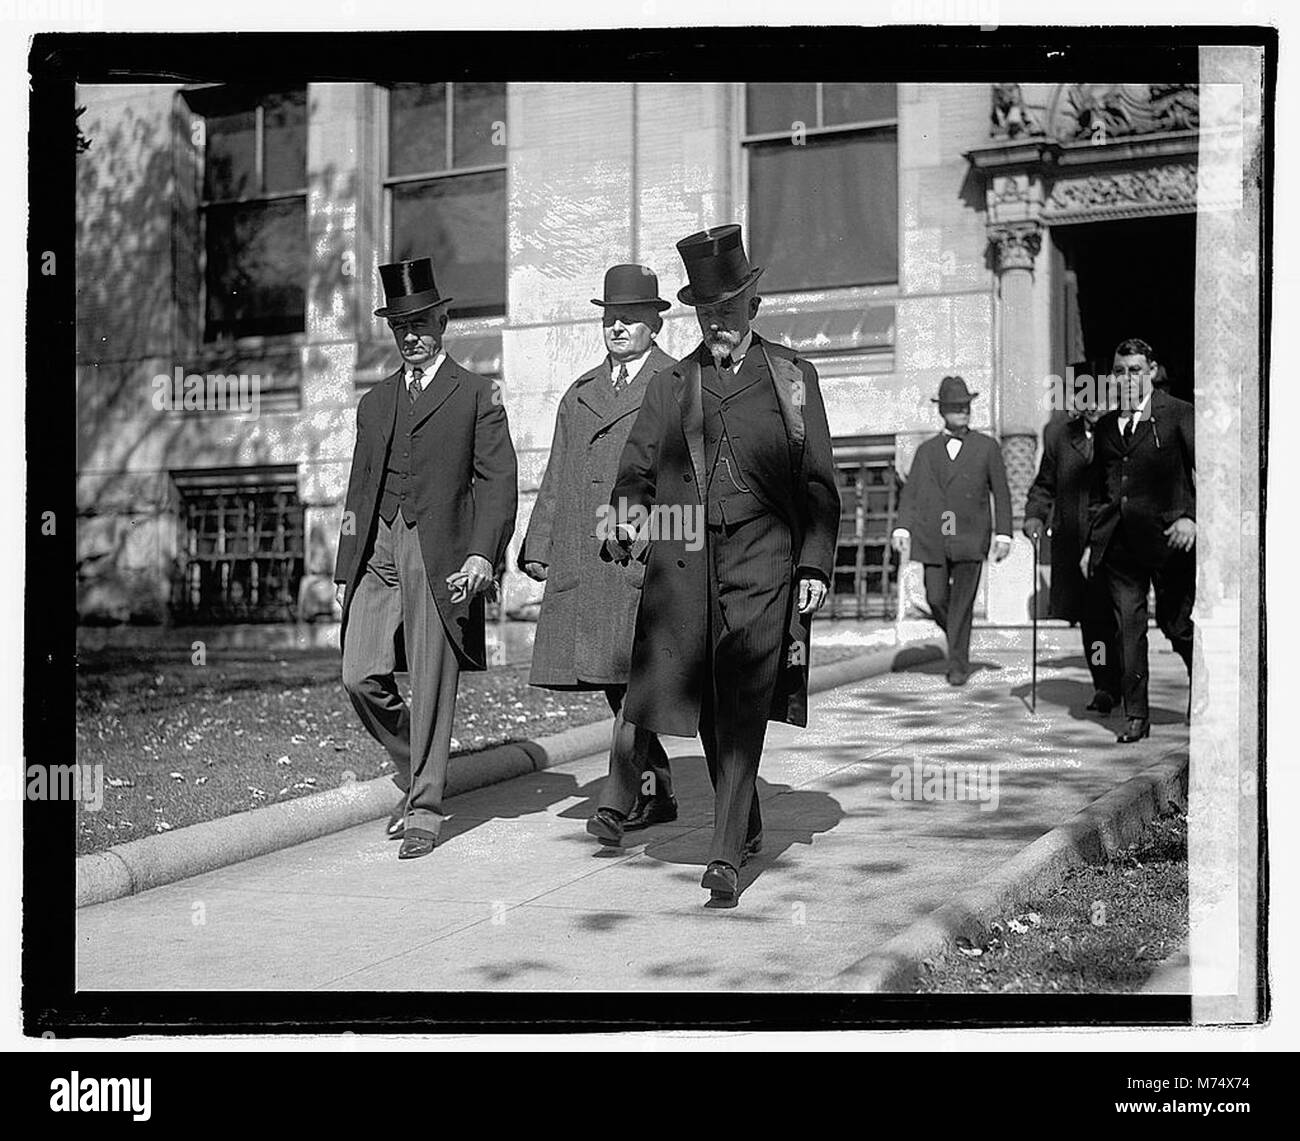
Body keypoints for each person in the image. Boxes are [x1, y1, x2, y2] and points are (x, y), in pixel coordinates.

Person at [606, 225, 840, 903]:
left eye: (729, 312)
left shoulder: (795, 378)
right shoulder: (673, 384)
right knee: (707, 702)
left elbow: (820, 482)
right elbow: (635, 472)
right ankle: (749, 817)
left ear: (753, 307)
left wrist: (815, 566)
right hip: (687, 567)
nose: (719, 326)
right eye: (707, 315)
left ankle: (723, 856)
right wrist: (625, 515)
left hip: (764, 557)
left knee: (742, 695)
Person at [334, 257, 518, 859]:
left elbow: (496, 482)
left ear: (444, 320)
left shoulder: (475, 393)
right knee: (359, 673)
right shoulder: (375, 402)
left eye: (422, 323)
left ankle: (426, 806)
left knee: (434, 680)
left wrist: (481, 557)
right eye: (400, 327)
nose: (412, 336)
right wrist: (344, 567)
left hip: (440, 552)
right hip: (378, 547)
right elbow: (359, 490)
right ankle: (418, 766)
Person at [520, 265, 679, 848]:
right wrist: (538, 545)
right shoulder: (581, 391)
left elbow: (688, 478)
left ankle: (615, 802)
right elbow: (558, 471)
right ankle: (658, 788)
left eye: (632, 317)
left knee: (634, 677)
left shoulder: (676, 381)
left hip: (642, 553)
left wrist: (660, 532)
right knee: (617, 680)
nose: (618, 326)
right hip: (586, 556)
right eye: (610, 316)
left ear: (656, 322)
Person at [1082, 338, 1195, 744]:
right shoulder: (1109, 426)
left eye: (1134, 370)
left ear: (1151, 371)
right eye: (1120, 371)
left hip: (1169, 540)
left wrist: (1190, 518)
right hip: (1120, 547)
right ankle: (1136, 716)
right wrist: (1093, 543)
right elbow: (1102, 491)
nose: (1127, 378)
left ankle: (1204, 685)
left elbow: (1208, 472)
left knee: (1176, 625)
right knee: (1128, 630)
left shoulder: (1178, 414)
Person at [891, 376, 1013, 686]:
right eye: (956, 408)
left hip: (971, 537)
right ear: (943, 411)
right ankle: (958, 640)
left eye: (966, 407)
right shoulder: (927, 451)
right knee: (935, 598)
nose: (963, 412)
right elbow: (911, 492)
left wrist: (1004, 533)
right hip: (932, 537)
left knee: (962, 603)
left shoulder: (987, 447)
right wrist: (902, 527)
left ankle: (958, 664)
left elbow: (1001, 492)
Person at [1023, 377, 1121, 713]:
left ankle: (1129, 685)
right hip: (1076, 545)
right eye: (1085, 399)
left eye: (1100, 398)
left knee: (1123, 618)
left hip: (1118, 541)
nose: (1093, 406)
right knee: (1094, 621)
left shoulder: (1126, 432)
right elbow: (1044, 484)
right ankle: (1105, 685)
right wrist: (1035, 516)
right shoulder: (1062, 437)